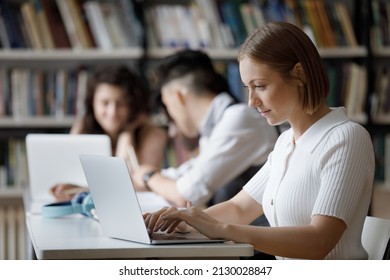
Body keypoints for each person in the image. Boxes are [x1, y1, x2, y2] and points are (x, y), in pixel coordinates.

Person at [143, 22, 375, 260]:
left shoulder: (346, 138)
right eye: (248, 88)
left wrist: (221, 230)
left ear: (299, 74)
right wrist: (180, 222)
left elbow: (320, 241)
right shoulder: (286, 142)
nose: (251, 101)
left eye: (260, 86)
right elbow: (239, 208)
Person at [132, 49, 278, 208]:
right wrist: (149, 176)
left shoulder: (240, 118)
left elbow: (187, 195)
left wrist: (148, 176)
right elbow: (189, 174)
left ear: (178, 97)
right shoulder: (214, 126)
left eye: (167, 106)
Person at [50, 65, 168, 201]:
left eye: (121, 103)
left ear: (133, 104)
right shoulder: (82, 128)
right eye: (105, 103)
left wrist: (127, 132)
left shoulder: (154, 134)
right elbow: (69, 175)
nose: (112, 112)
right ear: (92, 103)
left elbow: (130, 186)